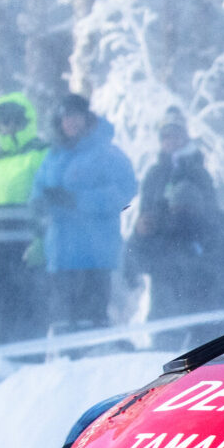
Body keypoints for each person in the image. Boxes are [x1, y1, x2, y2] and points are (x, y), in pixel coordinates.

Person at [33, 93, 138, 333]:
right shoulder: (53, 156)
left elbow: (125, 191)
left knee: (91, 326)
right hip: (59, 255)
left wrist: (78, 200)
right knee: (62, 325)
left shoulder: (106, 152)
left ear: (87, 118)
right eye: (65, 117)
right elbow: (38, 189)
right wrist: (39, 204)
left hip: (94, 253)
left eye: (75, 116)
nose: (70, 122)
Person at [123, 109, 224, 320]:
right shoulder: (154, 175)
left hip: (196, 262)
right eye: (166, 135)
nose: (171, 141)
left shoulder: (199, 174)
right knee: (163, 330)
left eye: (176, 134)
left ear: (185, 137)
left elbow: (213, 219)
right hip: (163, 263)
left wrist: (187, 215)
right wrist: (141, 230)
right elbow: (145, 216)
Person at [0, 92, 48, 343]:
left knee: (31, 306)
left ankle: (32, 365)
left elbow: (46, 200)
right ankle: (6, 363)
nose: (9, 127)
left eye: (15, 121)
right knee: (2, 306)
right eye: (3, 122)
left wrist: (43, 238)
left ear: (26, 121)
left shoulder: (39, 154)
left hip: (27, 248)